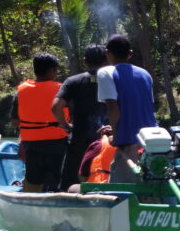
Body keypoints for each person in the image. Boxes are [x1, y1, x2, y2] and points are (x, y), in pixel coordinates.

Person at [97, 35, 157, 183]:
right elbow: (144, 107)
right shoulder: (145, 74)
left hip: (129, 143)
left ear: (107, 53)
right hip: (153, 141)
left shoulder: (106, 73)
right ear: (130, 54)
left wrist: (116, 137)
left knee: (121, 194)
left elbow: (112, 107)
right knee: (151, 192)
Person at [51, 44, 108, 191]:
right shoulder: (114, 80)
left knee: (68, 184)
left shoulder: (73, 81)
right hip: (107, 140)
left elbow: (56, 107)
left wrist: (66, 125)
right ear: (106, 60)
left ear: (85, 61)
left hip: (80, 141)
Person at [10, 53, 69, 192]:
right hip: (58, 144)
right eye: (56, 69)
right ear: (52, 71)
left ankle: (31, 193)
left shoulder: (21, 91)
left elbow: (15, 121)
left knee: (33, 179)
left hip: (32, 145)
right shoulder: (62, 90)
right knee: (61, 178)